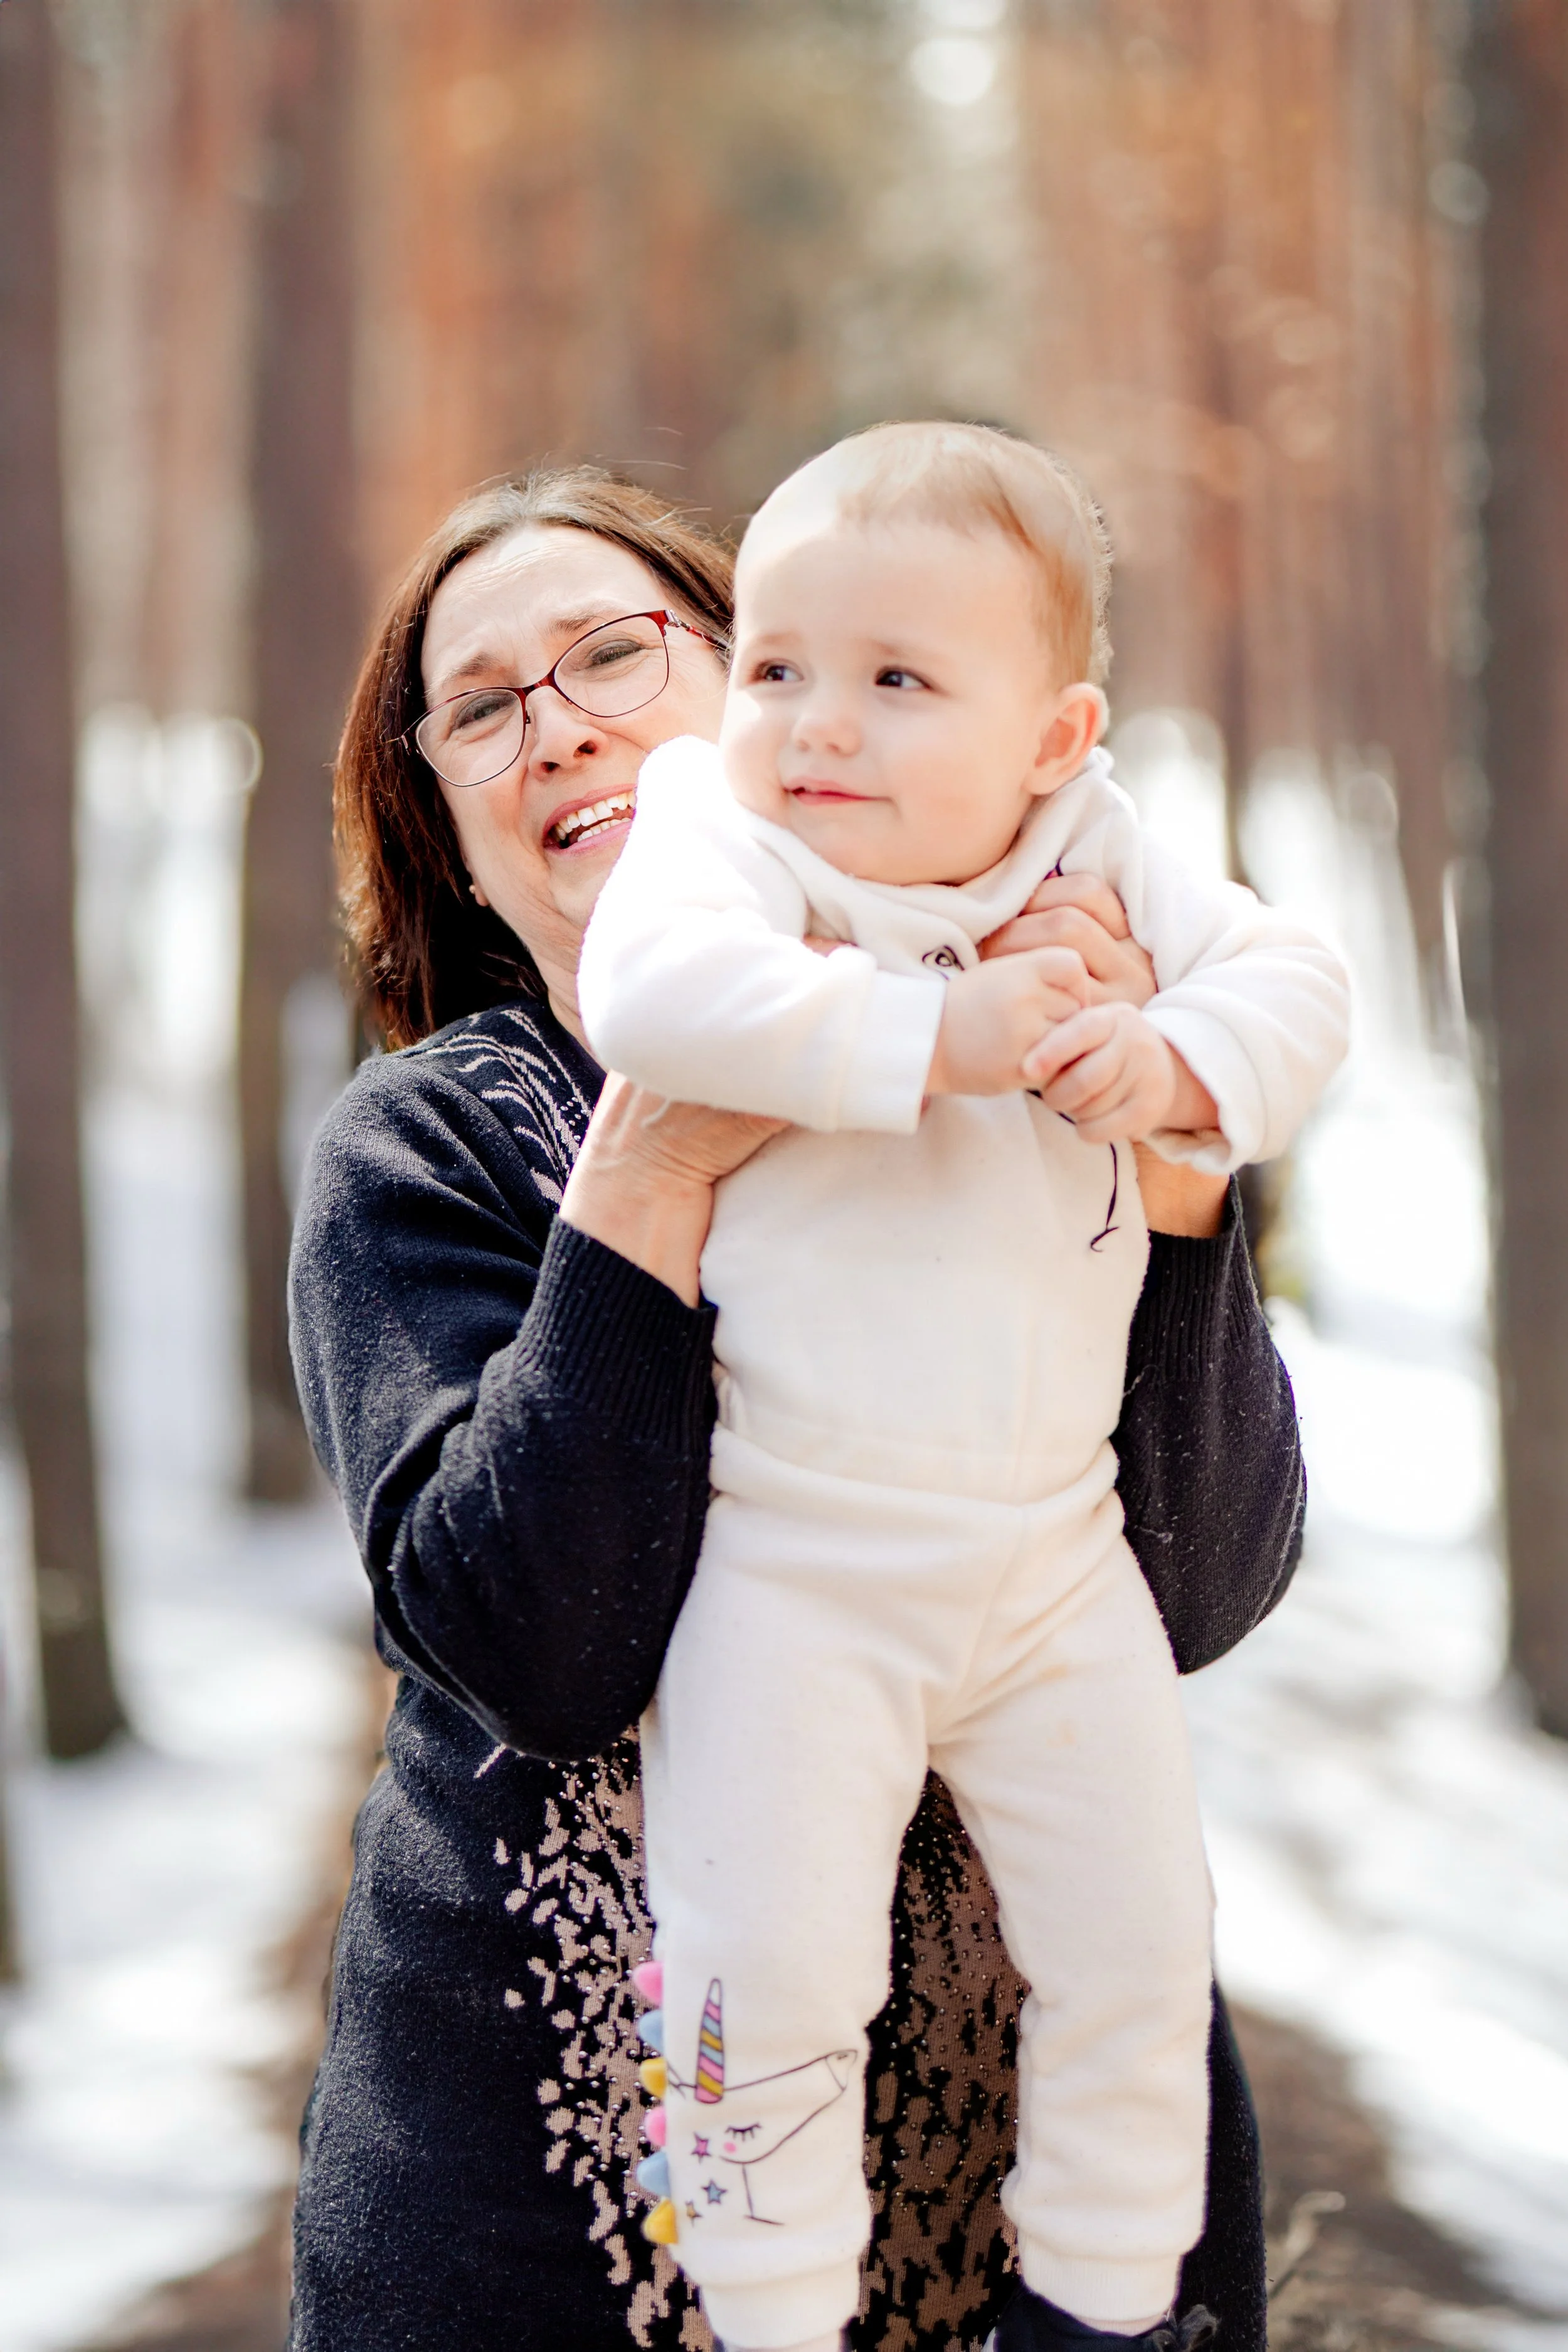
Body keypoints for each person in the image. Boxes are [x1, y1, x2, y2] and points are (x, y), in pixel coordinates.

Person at [288, 464, 1306, 2352]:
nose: (562, 724)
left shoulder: (1049, 1006)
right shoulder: (424, 1148)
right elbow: (538, 1645)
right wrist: (654, 1166)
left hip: (1040, 2194)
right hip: (544, 2232)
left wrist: (1162, 1153)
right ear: (445, 823)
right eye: (485, 707)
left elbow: (1206, 1579)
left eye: (617, 650)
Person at [576, 425, 1346, 2352]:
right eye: (773, 665)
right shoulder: (724, 842)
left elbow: (1302, 991)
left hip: (1051, 1549)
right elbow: (651, 1003)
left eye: (898, 678)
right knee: (759, 1969)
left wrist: (1167, 1065)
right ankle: (763, 2316)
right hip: (796, 1556)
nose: (815, 722)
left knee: (1138, 1948)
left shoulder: (1101, 852)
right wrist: (940, 1031)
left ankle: (1094, 2300)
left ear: (1054, 733)